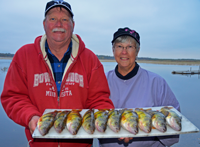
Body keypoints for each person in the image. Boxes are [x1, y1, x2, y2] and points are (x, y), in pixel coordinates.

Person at [0, 0, 114, 147]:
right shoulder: (24, 56)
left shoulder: (90, 60)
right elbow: (13, 96)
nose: (58, 24)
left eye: (65, 19)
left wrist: (110, 122)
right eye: (52, 19)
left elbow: (99, 99)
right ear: (44, 24)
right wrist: (31, 116)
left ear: (73, 25)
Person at [99, 27, 180, 147]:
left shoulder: (156, 83)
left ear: (137, 51)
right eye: (119, 46)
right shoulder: (101, 81)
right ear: (113, 50)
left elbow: (174, 122)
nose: (124, 52)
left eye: (130, 47)